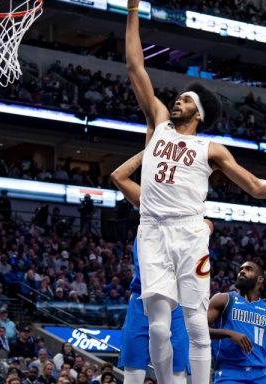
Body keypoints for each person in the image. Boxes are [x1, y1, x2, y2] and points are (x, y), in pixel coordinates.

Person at [125, 0, 266, 384]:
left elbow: (255, 187)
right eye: (179, 98)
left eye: (186, 100)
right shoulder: (158, 125)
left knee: (195, 322)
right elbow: (135, 67)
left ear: (199, 112)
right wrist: (134, 7)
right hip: (152, 228)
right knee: (157, 324)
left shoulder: (211, 148)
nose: (178, 102)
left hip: (190, 232)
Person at [110, 152, 194, 384]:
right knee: (133, 376)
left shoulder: (189, 214)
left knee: (177, 377)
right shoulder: (149, 205)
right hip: (141, 299)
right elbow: (118, 175)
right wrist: (151, 151)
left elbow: (208, 223)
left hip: (174, 302)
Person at [207, 261, 266, 384]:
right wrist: (228, 333)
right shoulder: (223, 299)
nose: (242, 271)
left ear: (260, 279)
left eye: (248, 269)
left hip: (261, 375)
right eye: (241, 269)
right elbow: (198, 330)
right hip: (229, 374)